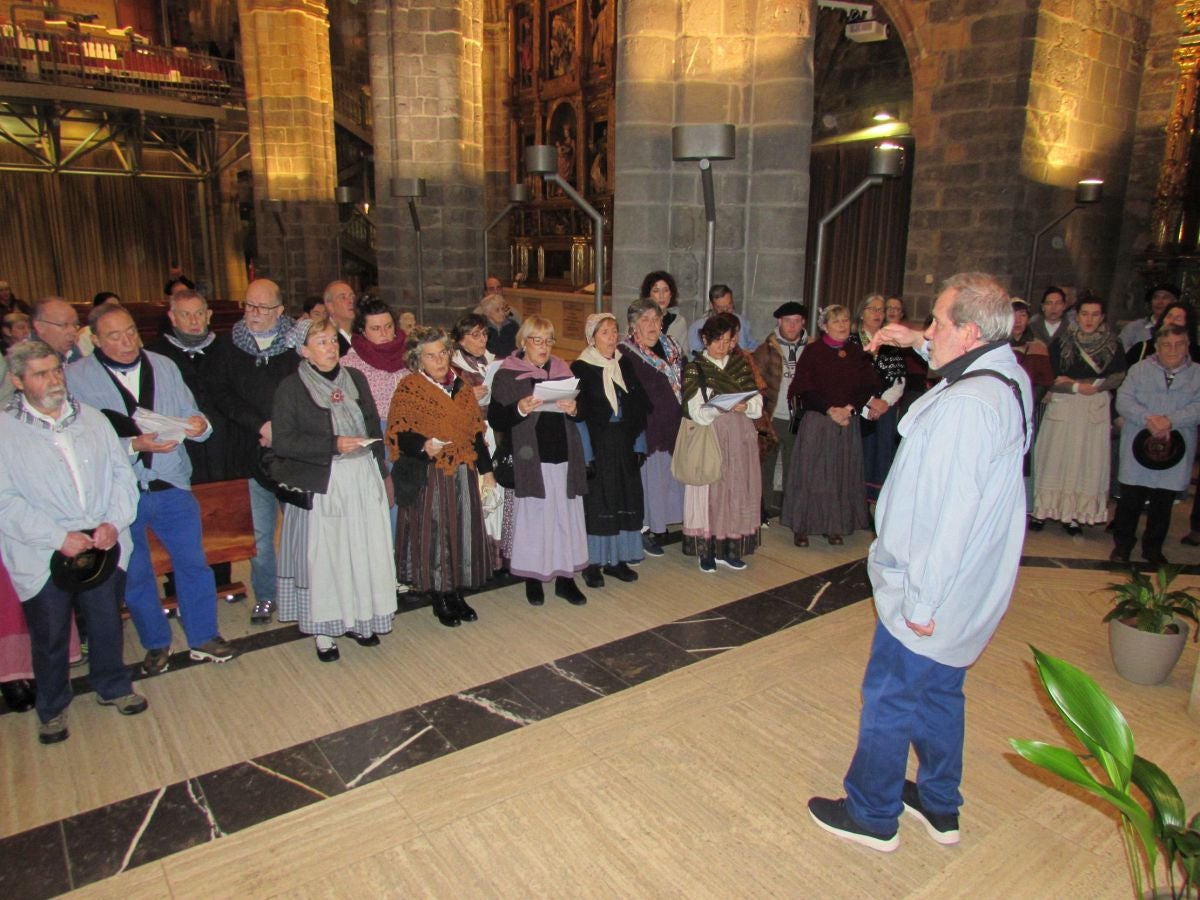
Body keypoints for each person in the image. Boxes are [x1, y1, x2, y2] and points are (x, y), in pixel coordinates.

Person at [808, 272, 1032, 853]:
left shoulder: (967, 407)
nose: (928, 330)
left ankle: (873, 813)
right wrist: (915, 340)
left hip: (934, 586)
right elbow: (961, 356)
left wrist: (923, 602)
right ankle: (939, 802)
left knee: (889, 693)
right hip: (971, 584)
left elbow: (950, 515)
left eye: (936, 321)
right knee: (939, 692)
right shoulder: (1007, 374)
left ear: (969, 330)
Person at [67, 305, 237, 674]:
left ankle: (203, 635)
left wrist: (199, 425)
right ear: (94, 340)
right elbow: (78, 443)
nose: (127, 341)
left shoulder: (163, 365)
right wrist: (133, 446)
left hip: (170, 481)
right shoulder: (77, 378)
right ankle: (156, 642)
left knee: (193, 563)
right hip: (117, 490)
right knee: (137, 571)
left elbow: (195, 417)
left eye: (131, 332)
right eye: (114, 336)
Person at [0, 341, 149, 744]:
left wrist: (113, 523)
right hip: (44, 547)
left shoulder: (93, 420)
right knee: (48, 634)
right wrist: (57, 537)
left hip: (99, 540)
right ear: (17, 380)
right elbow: (5, 501)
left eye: (56, 370)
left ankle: (113, 685)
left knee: (105, 622)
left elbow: (122, 476)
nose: (54, 380)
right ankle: (52, 707)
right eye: (40, 374)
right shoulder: (5, 431)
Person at [268, 319, 396, 662]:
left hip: (362, 474)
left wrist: (382, 473)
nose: (330, 347)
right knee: (327, 556)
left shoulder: (355, 378)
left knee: (362, 550)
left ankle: (358, 617)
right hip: (324, 480)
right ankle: (324, 630)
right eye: (321, 342)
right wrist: (332, 444)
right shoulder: (291, 388)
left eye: (333, 341)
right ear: (304, 350)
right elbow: (284, 442)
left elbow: (371, 424)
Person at [388, 328, 495, 626]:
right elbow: (399, 432)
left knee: (461, 529)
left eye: (443, 353)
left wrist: (487, 471)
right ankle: (439, 593)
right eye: (430, 355)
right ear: (417, 359)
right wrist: (423, 446)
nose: (438, 360)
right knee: (436, 534)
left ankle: (456, 590)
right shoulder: (410, 388)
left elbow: (475, 431)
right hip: (431, 472)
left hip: (462, 468)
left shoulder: (460, 386)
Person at [208, 279, 300, 624]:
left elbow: (309, 390)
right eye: (248, 306)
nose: (254, 314)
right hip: (249, 452)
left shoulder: (296, 346)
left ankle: (301, 592)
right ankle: (267, 594)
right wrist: (260, 426)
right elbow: (221, 395)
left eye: (262, 307)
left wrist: (283, 430)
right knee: (260, 535)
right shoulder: (228, 347)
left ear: (279, 311)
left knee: (298, 529)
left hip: (292, 454)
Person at [488, 316, 590, 606]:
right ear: (523, 342)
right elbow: (496, 418)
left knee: (564, 519)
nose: (544, 346)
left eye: (548, 340)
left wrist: (574, 409)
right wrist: (520, 408)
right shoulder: (507, 374)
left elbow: (581, 413)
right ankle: (534, 579)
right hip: (531, 460)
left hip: (564, 455)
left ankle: (565, 579)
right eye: (537, 340)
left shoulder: (563, 370)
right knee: (535, 522)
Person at [781, 305, 882, 547]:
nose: (842, 325)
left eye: (846, 320)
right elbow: (803, 387)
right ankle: (803, 526)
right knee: (811, 476)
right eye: (836, 321)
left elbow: (868, 385)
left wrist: (848, 408)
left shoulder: (857, 352)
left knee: (840, 474)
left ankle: (834, 525)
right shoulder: (813, 351)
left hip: (847, 420)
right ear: (824, 325)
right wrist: (829, 409)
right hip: (818, 420)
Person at [1032, 295, 1126, 534]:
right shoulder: (1062, 343)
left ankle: (1073, 515)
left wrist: (1092, 385)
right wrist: (1074, 386)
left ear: (1102, 317)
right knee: (1054, 456)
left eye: (1095, 314)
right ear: (1077, 315)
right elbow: (1050, 376)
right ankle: (1042, 510)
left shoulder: (1113, 344)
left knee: (1085, 459)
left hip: (1094, 404)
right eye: (1085, 314)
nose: (1089, 319)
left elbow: (1118, 375)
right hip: (1065, 402)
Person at [1110, 325, 1200, 566]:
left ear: (1187, 346)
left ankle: (1153, 549)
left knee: (1163, 503)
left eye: (1179, 344)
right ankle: (1122, 547)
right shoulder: (1139, 370)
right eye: (1167, 345)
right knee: (1130, 501)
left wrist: (1171, 420)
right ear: (1157, 347)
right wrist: (1149, 420)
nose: (1173, 350)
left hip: (1176, 448)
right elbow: (1124, 401)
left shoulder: (1198, 374)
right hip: (1138, 443)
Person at [680, 313, 763, 571]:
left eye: (727, 341)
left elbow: (758, 407)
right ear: (704, 339)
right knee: (712, 495)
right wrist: (719, 407)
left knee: (736, 491)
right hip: (711, 437)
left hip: (740, 438)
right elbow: (693, 410)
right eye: (716, 340)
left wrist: (745, 405)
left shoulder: (740, 365)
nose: (722, 346)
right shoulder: (696, 367)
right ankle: (708, 550)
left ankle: (729, 548)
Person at [571, 313, 649, 587]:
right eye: (605, 332)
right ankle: (593, 563)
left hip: (624, 442)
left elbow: (638, 407)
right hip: (598, 443)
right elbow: (578, 416)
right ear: (592, 338)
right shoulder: (580, 368)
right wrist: (586, 456)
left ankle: (618, 560)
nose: (612, 337)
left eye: (614, 331)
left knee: (624, 498)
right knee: (599, 502)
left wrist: (639, 444)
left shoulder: (624, 365)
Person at [619, 299, 686, 557]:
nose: (652, 325)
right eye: (645, 320)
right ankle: (648, 528)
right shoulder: (626, 352)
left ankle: (666, 525)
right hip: (648, 428)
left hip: (675, 425)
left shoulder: (672, 348)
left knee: (671, 480)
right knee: (652, 482)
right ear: (633, 325)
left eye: (656, 320)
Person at [849, 294, 907, 506]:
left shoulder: (891, 342)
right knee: (860, 455)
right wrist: (869, 401)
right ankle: (856, 505)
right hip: (859, 407)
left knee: (882, 455)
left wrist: (884, 402)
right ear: (862, 313)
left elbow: (899, 379)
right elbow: (847, 378)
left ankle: (877, 505)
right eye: (872, 309)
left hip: (885, 409)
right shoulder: (852, 342)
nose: (877, 313)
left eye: (880, 310)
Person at [752, 302, 807, 518]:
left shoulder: (811, 348)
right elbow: (755, 381)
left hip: (799, 417)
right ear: (779, 322)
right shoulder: (766, 349)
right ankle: (762, 510)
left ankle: (790, 509)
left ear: (803, 322)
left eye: (796, 321)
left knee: (795, 467)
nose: (792, 326)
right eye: (787, 321)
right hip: (772, 416)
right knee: (765, 465)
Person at [687, 284, 758, 354]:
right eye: (721, 308)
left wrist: (746, 353)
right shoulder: (697, 327)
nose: (726, 311)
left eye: (729, 306)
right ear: (712, 306)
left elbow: (754, 348)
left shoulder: (742, 322)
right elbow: (695, 356)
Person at [1125, 301, 1200, 367]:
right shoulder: (1141, 349)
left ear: (1187, 325)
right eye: (1169, 316)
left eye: (1178, 319)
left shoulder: (1196, 354)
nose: (1171, 321)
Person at [1119, 283, 1180, 352]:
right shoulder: (1133, 328)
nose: (1159, 302)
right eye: (1156, 298)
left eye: (1165, 298)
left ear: (1174, 302)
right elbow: (1121, 352)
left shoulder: (1180, 328)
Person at [640, 270, 687, 347]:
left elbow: (683, 355)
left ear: (671, 294)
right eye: (656, 291)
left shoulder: (679, 322)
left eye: (665, 290)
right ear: (648, 295)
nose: (661, 296)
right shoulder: (637, 319)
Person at [31, 297, 83, 364]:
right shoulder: (26, 358)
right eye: (64, 325)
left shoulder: (72, 350)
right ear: (40, 327)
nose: (73, 332)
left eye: (75, 325)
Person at [478, 294, 520, 359]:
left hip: (511, 363)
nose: (502, 313)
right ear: (487, 312)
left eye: (503, 309)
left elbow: (519, 349)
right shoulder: (481, 329)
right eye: (497, 310)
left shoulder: (513, 326)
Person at [323, 280, 356, 355]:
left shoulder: (362, 333)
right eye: (343, 297)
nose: (351, 301)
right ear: (330, 305)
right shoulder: (323, 334)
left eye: (352, 297)